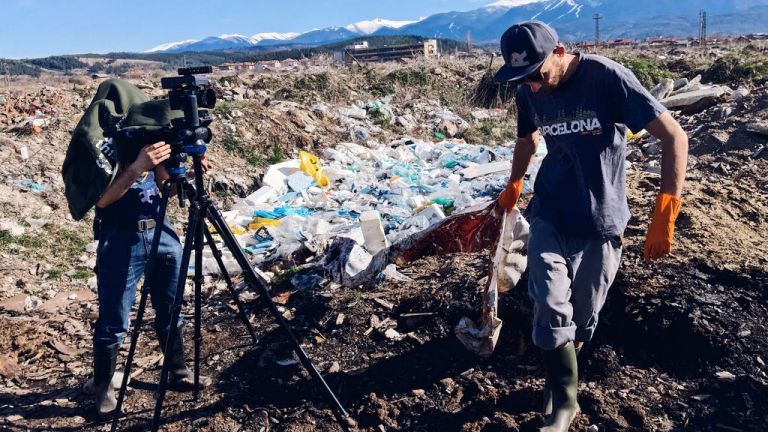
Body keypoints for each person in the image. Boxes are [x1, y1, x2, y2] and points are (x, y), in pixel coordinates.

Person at [494, 21, 688, 431]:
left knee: (583, 316)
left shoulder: (606, 78)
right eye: (521, 79)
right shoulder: (526, 90)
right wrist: (513, 183)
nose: (531, 86)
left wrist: (665, 211)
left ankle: (562, 375)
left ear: (559, 52)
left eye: (537, 75)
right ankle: (564, 402)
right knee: (548, 299)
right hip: (550, 212)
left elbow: (674, 136)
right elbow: (527, 139)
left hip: (601, 220)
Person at [89, 107, 211, 417]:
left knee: (171, 309)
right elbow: (101, 200)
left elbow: (165, 188)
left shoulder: (153, 139)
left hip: (162, 233)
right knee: (114, 321)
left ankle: (179, 372)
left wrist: (186, 171)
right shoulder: (105, 148)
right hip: (121, 240)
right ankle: (102, 388)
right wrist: (136, 168)